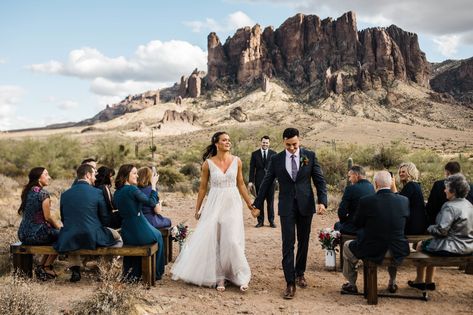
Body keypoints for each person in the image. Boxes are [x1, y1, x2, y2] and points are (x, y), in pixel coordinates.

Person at [171, 131, 259, 292]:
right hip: (214, 203)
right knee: (216, 240)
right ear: (216, 143)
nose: (228, 142)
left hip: (232, 203)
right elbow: (203, 187)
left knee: (232, 240)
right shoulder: (208, 164)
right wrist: (197, 208)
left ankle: (240, 275)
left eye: (229, 140)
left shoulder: (237, 161)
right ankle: (220, 277)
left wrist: (249, 204)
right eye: (224, 140)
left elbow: (241, 184)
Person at [254, 127, 327, 299]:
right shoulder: (276, 159)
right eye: (288, 145)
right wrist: (257, 204)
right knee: (288, 243)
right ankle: (290, 283)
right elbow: (266, 182)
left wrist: (322, 201)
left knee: (303, 241)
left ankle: (300, 272)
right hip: (286, 206)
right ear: (283, 142)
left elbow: (319, 180)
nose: (292, 148)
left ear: (299, 140)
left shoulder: (309, 156)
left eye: (294, 144)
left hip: (305, 205)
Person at [341, 171, 410, 294]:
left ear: (376, 184)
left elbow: (357, 223)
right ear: (390, 183)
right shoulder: (404, 200)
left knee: (346, 247)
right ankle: (392, 282)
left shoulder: (367, 201)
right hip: (398, 247)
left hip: (373, 249)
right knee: (390, 239)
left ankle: (351, 284)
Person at [54, 164, 122, 282]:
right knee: (118, 238)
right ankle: (104, 268)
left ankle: (75, 269)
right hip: (92, 236)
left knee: (72, 235)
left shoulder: (65, 194)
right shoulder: (97, 193)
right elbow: (105, 219)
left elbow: (64, 219)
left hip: (69, 235)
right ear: (87, 175)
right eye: (94, 175)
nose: (96, 178)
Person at [408, 173, 473, 291]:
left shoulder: (449, 206)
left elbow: (441, 231)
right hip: (468, 246)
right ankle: (429, 281)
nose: (444, 190)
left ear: (453, 191)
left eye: (447, 188)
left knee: (420, 245)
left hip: (453, 247)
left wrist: (429, 228)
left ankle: (420, 280)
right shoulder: (469, 205)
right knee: (431, 242)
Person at [113, 164, 165, 281]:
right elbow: (151, 202)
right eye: (134, 173)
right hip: (139, 225)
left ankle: (133, 274)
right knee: (158, 237)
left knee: (138, 243)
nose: (137, 175)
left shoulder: (117, 192)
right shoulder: (132, 189)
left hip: (127, 230)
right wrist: (153, 186)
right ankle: (156, 273)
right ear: (126, 175)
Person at [18, 167, 62, 280]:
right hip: (37, 234)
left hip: (23, 234)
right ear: (38, 178)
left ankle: (42, 266)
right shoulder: (43, 194)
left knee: (54, 235)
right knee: (63, 236)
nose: (49, 177)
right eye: (46, 174)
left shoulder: (28, 191)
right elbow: (48, 217)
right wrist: (59, 228)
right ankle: (46, 266)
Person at [334, 165, 375, 235]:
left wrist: (345, 221)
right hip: (368, 227)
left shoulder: (350, 189)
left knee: (337, 225)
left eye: (350, 176)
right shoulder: (371, 188)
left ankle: (345, 245)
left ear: (356, 175)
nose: (349, 180)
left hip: (354, 228)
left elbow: (342, 212)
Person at [248, 135, 277, 228]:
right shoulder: (255, 154)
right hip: (259, 181)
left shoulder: (274, 153)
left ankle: (271, 221)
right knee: (259, 201)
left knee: (270, 202)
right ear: (261, 142)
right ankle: (260, 222)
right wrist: (250, 181)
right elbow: (252, 169)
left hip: (271, 182)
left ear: (269, 143)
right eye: (263, 142)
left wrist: (276, 179)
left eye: (266, 143)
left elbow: (276, 168)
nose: (265, 144)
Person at [394, 162, 428, 234]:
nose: (400, 174)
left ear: (410, 172)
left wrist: (393, 186)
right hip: (419, 224)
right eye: (400, 172)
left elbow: (398, 202)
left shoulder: (411, 185)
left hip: (413, 225)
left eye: (403, 172)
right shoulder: (415, 185)